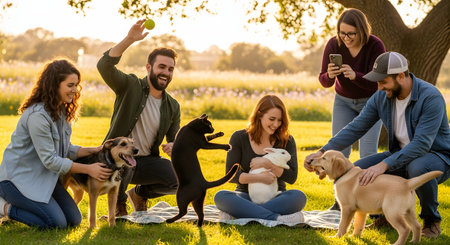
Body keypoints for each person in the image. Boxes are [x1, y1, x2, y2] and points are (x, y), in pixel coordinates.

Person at [304, 51, 450, 239]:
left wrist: (384, 165)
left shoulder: (430, 97)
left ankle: (431, 220)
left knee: (418, 167)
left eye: (383, 82)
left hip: (435, 157)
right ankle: (384, 213)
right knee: (361, 169)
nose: (379, 87)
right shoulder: (381, 96)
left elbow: (422, 144)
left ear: (401, 76)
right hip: (400, 155)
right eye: (377, 82)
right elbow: (356, 127)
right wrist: (322, 151)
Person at [0, 59, 112, 229]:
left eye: (76, 85)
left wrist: (92, 150)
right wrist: (89, 169)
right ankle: (4, 207)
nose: (75, 90)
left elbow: (65, 149)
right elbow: (51, 160)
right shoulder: (37, 116)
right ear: (54, 85)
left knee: (74, 219)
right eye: (70, 85)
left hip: (45, 179)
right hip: (17, 181)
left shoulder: (60, 111)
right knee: (56, 223)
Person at [97, 19, 180, 216]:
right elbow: (104, 65)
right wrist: (129, 39)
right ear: (149, 67)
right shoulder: (130, 86)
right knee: (126, 161)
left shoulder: (172, 106)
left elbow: (174, 140)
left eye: (170, 69)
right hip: (118, 158)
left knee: (179, 181)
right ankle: (119, 203)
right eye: (161, 67)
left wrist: (174, 146)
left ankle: (140, 194)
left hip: (146, 162)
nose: (166, 73)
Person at [214, 95, 307, 223]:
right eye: (272, 119)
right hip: (245, 195)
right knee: (221, 197)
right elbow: (231, 175)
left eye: (280, 120)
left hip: (276, 196)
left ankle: (241, 212)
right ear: (259, 115)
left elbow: (292, 177)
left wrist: (268, 164)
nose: (276, 124)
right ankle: (276, 218)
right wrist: (259, 178)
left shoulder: (287, 140)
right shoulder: (239, 137)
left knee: (298, 197)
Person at [319, 8, 385, 160]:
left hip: (371, 102)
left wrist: (356, 76)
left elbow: (378, 83)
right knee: (338, 153)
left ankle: (367, 184)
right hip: (343, 102)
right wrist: (329, 75)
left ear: (361, 31)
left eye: (351, 34)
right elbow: (324, 81)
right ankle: (342, 184)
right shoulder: (334, 44)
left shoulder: (375, 45)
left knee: (367, 154)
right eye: (342, 33)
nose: (346, 38)